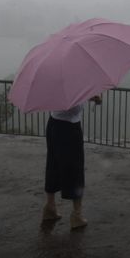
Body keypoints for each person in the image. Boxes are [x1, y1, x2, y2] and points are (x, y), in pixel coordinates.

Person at [41, 94, 102, 229]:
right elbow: (74, 106)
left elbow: (74, 98)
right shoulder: (72, 89)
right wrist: (91, 97)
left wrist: (91, 98)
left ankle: (50, 208)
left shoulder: (55, 85)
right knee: (75, 170)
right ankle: (77, 215)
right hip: (69, 129)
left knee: (53, 165)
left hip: (53, 125)